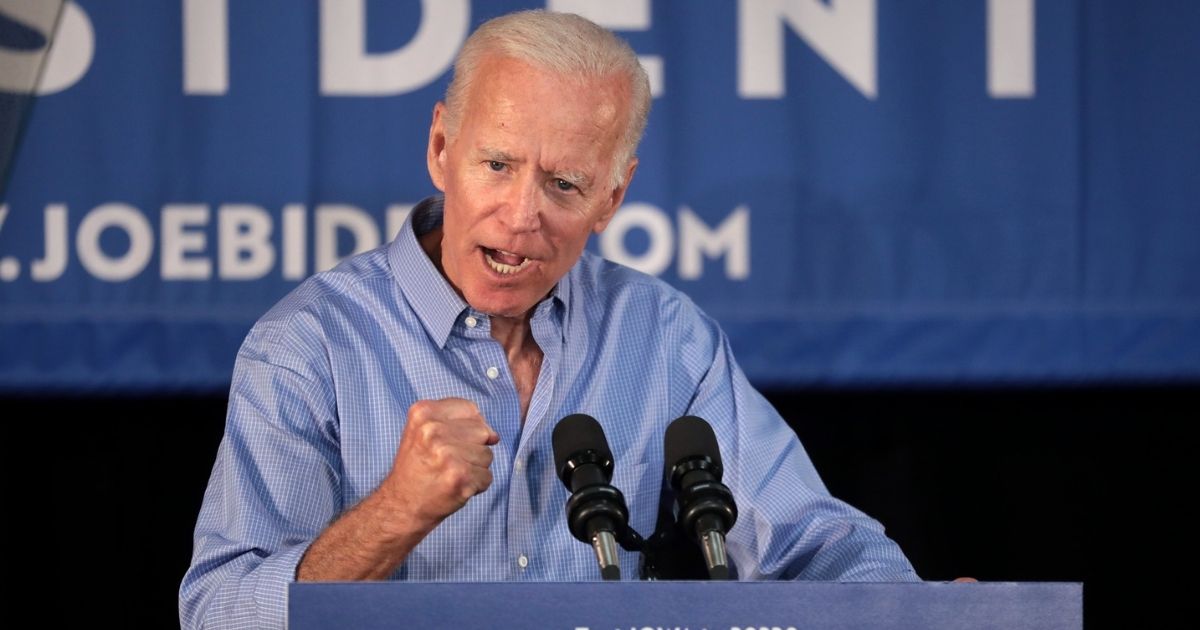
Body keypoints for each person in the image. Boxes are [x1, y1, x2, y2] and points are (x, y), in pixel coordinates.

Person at [180, 9, 919, 629]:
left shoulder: (661, 334)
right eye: (497, 165)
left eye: (565, 184)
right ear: (442, 148)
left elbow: (810, 541)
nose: (523, 215)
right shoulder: (308, 345)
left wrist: (921, 615)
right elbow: (217, 611)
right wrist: (395, 513)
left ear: (612, 198)